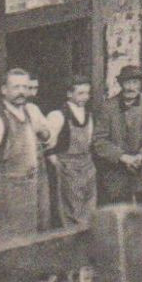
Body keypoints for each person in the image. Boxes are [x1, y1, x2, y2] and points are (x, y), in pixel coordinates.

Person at [0, 69, 54, 241]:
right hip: (10, 193)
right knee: (11, 243)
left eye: (25, 87)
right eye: (16, 87)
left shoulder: (30, 112)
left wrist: (44, 132)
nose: (21, 92)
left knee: (35, 239)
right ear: (4, 90)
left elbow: (47, 137)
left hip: (34, 188)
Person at [93, 65, 142, 206]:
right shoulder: (108, 107)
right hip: (117, 175)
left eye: (135, 82)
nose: (130, 87)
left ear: (140, 84)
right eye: (127, 82)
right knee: (121, 218)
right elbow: (99, 141)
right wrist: (123, 157)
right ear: (120, 84)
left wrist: (141, 156)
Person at [45, 78, 98, 227]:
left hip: (87, 166)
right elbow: (48, 148)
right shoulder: (58, 115)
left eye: (87, 93)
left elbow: (89, 141)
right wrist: (59, 165)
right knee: (71, 210)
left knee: (89, 208)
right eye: (80, 93)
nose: (85, 97)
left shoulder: (89, 114)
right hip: (68, 167)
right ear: (69, 94)